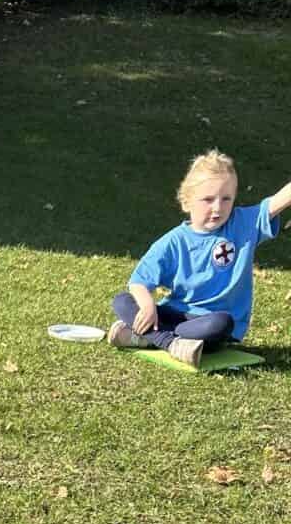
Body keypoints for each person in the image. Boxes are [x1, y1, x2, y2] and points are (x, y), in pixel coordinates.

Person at [108, 149, 289, 367]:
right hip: (174, 315)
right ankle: (170, 343)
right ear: (187, 201)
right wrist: (147, 307)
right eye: (208, 199)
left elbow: (278, 201)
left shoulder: (242, 224)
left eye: (226, 199)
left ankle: (146, 337)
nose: (218, 208)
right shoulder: (174, 241)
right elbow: (139, 281)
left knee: (222, 323)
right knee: (122, 301)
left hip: (208, 324)